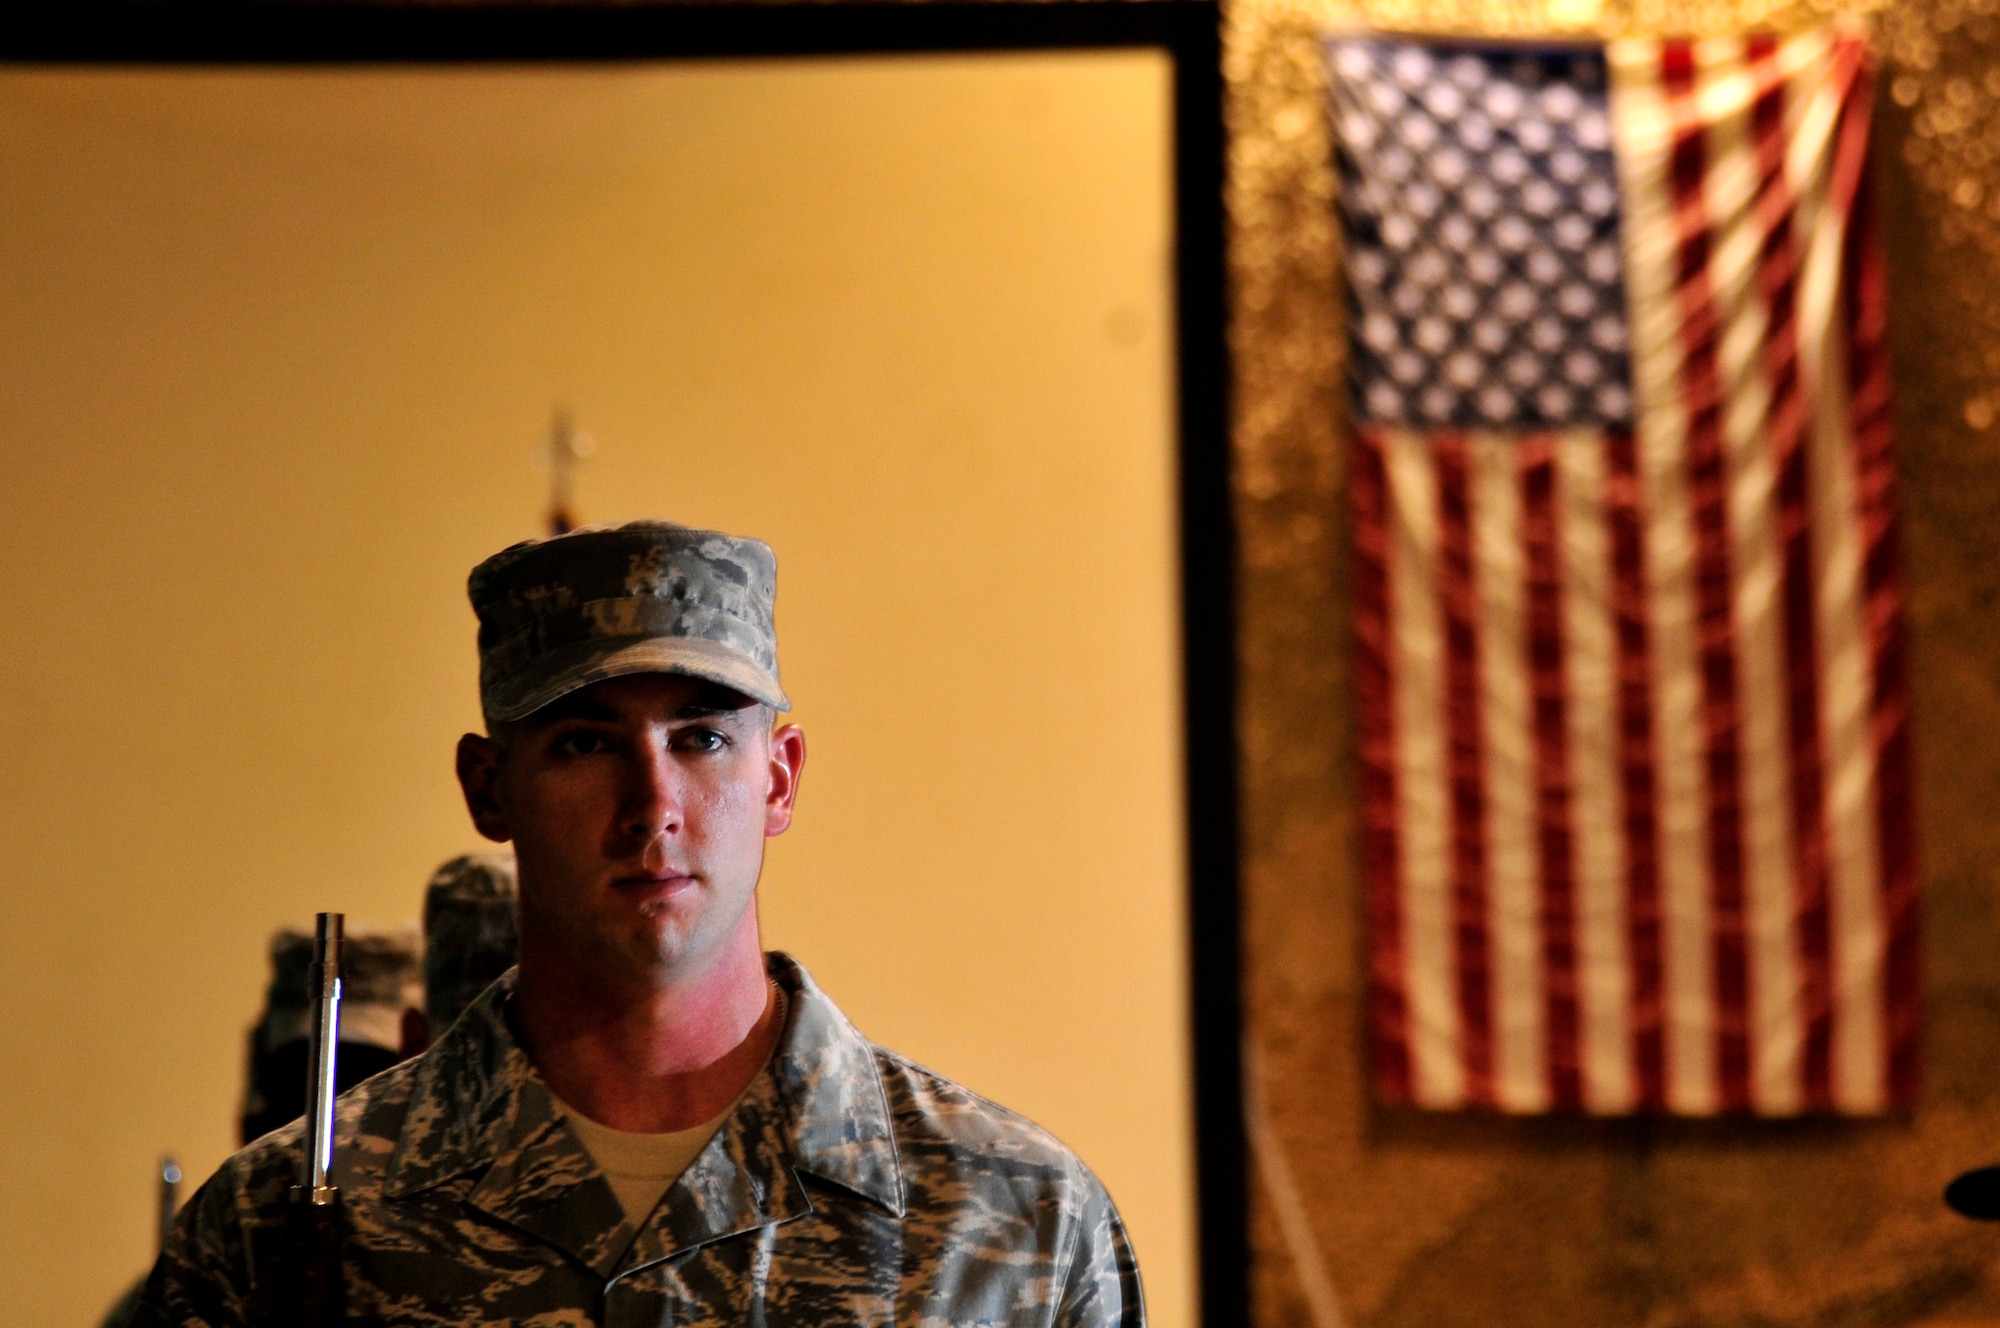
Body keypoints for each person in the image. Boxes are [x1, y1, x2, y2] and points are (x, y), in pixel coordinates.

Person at [136, 519, 1144, 1326]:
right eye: (584, 741)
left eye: (701, 737)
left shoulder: (1010, 1224)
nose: (652, 801)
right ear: (489, 790)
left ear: (778, 778)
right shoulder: (284, 1231)